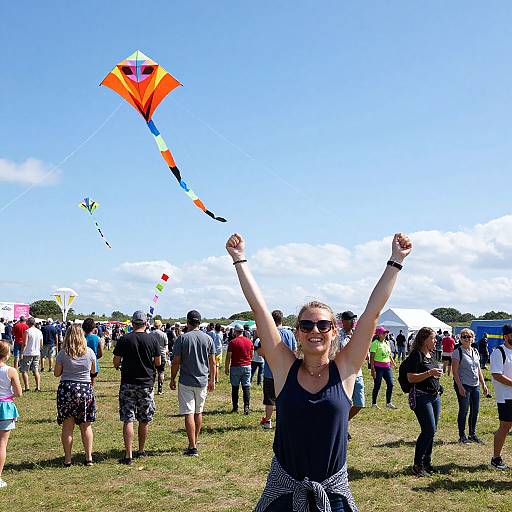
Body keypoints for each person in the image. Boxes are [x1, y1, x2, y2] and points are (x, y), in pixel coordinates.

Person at [226, 231, 412, 511]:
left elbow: (372, 312)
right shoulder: (283, 366)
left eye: (323, 325)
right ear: (298, 332)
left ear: (334, 331)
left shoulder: (346, 368)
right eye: (307, 325)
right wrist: (240, 259)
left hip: (333, 492)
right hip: (284, 491)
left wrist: (395, 260)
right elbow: (259, 309)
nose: (315, 331)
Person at [113, 311, 161, 465]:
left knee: (128, 419)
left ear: (133, 323)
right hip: (146, 383)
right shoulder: (152, 339)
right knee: (144, 419)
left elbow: (116, 361)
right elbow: (158, 362)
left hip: (128, 383)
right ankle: (141, 450)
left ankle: (128, 455)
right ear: (146, 323)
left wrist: (120, 366)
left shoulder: (124, 339)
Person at [170, 310, 215, 456]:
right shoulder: (208, 339)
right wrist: (212, 379)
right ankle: (193, 442)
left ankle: (192, 446)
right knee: (198, 412)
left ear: (188, 322)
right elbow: (213, 362)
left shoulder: (182, 339)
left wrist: (172, 378)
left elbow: (176, 361)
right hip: (202, 380)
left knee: (188, 413)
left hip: (186, 380)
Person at [54, 324, 97, 467]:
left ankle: (67, 459)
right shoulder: (90, 352)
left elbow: (56, 373)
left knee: (67, 426)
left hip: (67, 389)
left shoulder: (63, 353)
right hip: (85, 389)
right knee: (86, 426)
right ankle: (89, 457)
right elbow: (93, 371)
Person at [404, 327, 443, 476]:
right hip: (421, 396)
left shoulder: (431, 354)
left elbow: (430, 375)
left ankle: (427, 463)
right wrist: (429, 373)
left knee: (432, 432)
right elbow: (411, 377)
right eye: (433, 338)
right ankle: (417, 465)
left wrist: (437, 383)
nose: (435, 341)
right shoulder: (416, 355)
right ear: (424, 339)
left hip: (433, 396)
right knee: (428, 430)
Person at [258, 310, 297, 430]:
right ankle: (283, 420)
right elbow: (294, 351)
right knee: (284, 397)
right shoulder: (289, 334)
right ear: (282, 320)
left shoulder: (268, 334)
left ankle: (268, 421)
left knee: (270, 399)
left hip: (270, 372)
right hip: (286, 372)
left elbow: (260, 352)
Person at [451, 328, 488, 444]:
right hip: (464, 384)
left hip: (475, 385)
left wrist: (483, 384)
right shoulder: (458, 352)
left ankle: (472, 434)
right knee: (464, 410)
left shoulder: (475, 351)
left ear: (473, 338)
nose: (466, 339)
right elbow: (455, 371)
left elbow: (478, 369)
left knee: (475, 410)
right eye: (464, 337)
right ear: (460, 339)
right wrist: (460, 386)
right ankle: (462, 435)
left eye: (469, 336)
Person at [490, 324, 512, 470]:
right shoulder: (499, 352)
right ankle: (496, 458)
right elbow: (496, 375)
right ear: (506, 336)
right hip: (506, 397)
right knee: (505, 427)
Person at [0, 341, 22, 487]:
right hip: (5, 407)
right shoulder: (11, 371)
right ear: (7, 355)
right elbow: (19, 392)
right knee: (2, 444)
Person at [338, 311, 365, 425]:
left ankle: (342, 423)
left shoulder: (357, 335)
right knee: (344, 403)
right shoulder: (338, 336)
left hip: (357, 374)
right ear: (343, 322)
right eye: (350, 319)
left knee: (359, 404)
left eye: (354, 319)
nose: (353, 321)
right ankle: (342, 426)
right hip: (343, 374)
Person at [225, 324, 253, 414]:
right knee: (246, 387)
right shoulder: (249, 341)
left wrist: (226, 368)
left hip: (235, 367)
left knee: (235, 388)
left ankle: (235, 407)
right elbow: (251, 355)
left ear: (235, 331)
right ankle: (246, 407)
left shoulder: (232, 342)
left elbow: (228, 357)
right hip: (247, 366)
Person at [370, 327, 397, 409]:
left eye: (386, 333)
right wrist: (372, 369)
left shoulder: (386, 343)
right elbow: (372, 358)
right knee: (377, 385)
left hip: (387, 367)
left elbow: (389, 354)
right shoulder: (375, 343)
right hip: (378, 368)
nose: (385, 334)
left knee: (391, 384)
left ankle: (388, 403)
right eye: (383, 333)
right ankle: (374, 403)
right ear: (378, 334)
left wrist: (393, 362)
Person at [20, 317, 43, 392]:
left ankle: (27, 387)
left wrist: (21, 353)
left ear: (28, 323)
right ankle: (38, 387)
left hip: (28, 353)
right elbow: (41, 344)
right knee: (35, 370)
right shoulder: (39, 332)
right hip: (36, 353)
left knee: (24, 370)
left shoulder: (27, 331)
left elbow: (25, 343)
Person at [82, 318, 103, 386]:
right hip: (94, 364)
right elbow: (100, 354)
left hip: (82, 363)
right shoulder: (97, 339)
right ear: (94, 328)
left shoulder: (81, 338)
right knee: (92, 383)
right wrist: (94, 358)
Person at [151, 319, 168, 395]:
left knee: (152, 372)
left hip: (152, 355)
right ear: (160, 326)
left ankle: (151, 388)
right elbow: (166, 345)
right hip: (162, 354)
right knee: (161, 372)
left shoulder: (150, 334)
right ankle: (160, 389)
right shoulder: (164, 334)